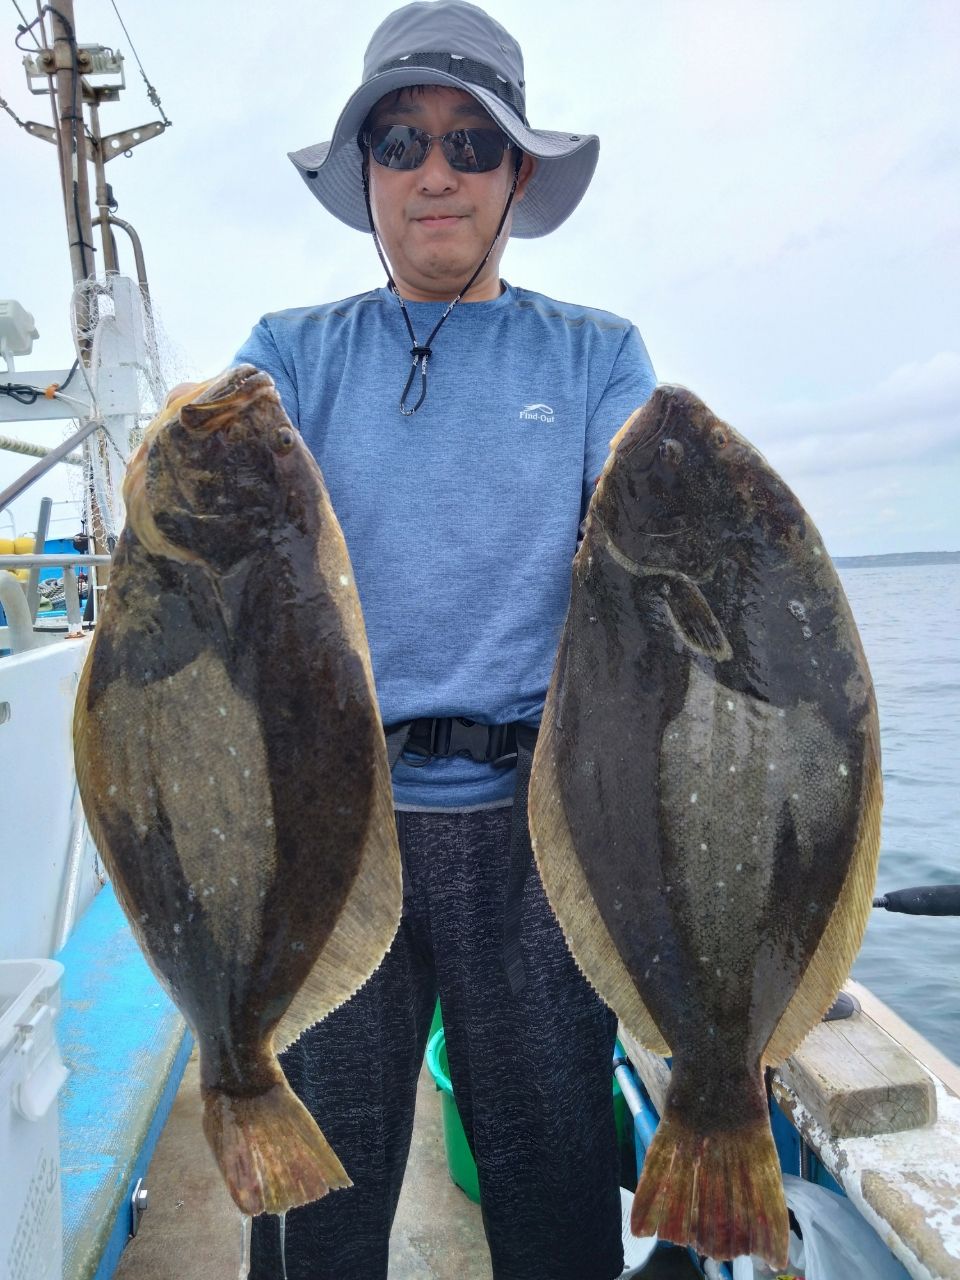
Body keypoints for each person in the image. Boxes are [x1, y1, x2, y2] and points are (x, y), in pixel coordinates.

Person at [234, 3, 657, 1277]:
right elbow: (225, 561)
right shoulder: (288, 358)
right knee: (320, 1210)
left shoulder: (597, 357)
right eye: (404, 140)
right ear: (364, 169)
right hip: (334, 827)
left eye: (473, 145)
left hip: (538, 834)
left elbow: (661, 577)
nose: (436, 172)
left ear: (518, 175)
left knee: (554, 1182)